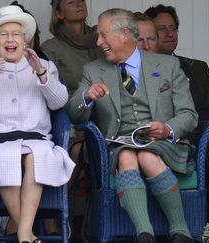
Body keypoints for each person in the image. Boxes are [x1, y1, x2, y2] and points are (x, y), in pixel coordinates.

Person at [67, 8, 197, 243]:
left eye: (103, 35)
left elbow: (189, 114)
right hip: (120, 144)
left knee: (146, 156)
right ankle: (144, 235)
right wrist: (86, 96)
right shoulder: (93, 70)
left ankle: (180, 230)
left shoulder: (167, 65)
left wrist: (167, 129)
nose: (98, 42)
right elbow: (74, 115)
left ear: (125, 34)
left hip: (163, 143)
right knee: (128, 155)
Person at [0, 5, 75, 243]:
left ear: (25, 40)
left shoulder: (44, 66)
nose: (10, 39)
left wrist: (40, 72)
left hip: (35, 139)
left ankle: (22, 232)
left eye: (16, 34)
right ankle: (27, 233)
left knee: (34, 153)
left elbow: (59, 101)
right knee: (6, 156)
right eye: (4, 35)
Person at [145, 4, 209, 215]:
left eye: (173, 28)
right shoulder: (140, 68)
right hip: (172, 137)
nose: (170, 33)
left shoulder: (197, 68)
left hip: (208, 134)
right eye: (162, 28)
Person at [40, 1, 101, 240]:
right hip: (72, 121)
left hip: (105, 118)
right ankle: (55, 216)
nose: (78, 2)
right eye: (69, 0)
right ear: (58, 13)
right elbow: (56, 93)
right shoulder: (51, 47)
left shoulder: (101, 40)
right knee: (75, 150)